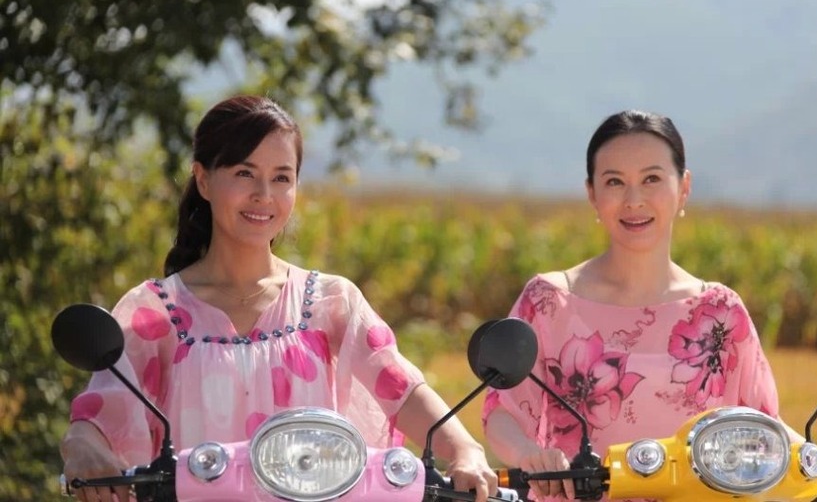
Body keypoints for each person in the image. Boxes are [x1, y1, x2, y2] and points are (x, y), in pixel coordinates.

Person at [60, 95, 498, 502]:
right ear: (204, 180)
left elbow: (401, 389)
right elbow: (101, 410)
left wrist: (465, 449)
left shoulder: (331, 301)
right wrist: (80, 444)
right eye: (244, 173)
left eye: (281, 178)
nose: (264, 195)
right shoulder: (154, 311)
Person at [481, 109, 817, 502]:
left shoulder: (721, 311)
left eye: (652, 179)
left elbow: (761, 424)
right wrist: (529, 455)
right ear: (592, 194)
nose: (634, 200)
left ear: (683, 187)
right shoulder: (549, 301)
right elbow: (503, 409)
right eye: (615, 181)